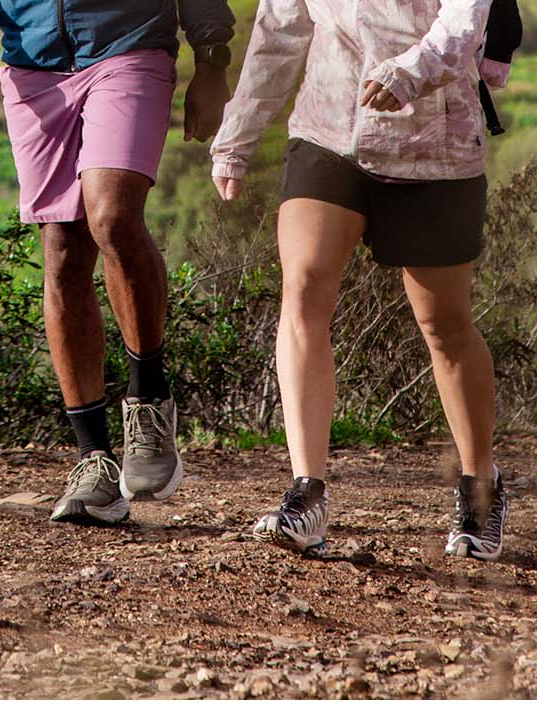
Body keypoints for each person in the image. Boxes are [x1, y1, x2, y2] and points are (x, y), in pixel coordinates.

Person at [209, 0, 512, 561]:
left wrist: (409, 73)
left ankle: (480, 486)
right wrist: (237, 135)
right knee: (303, 290)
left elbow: (465, 21)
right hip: (328, 132)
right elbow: (279, 30)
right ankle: (308, 492)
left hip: (434, 143)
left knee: (443, 324)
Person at [0, 0, 235, 525]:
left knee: (110, 217)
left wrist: (211, 59)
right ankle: (95, 462)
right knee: (62, 252)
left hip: (128, 48)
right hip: (32, 68)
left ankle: (148, 399)